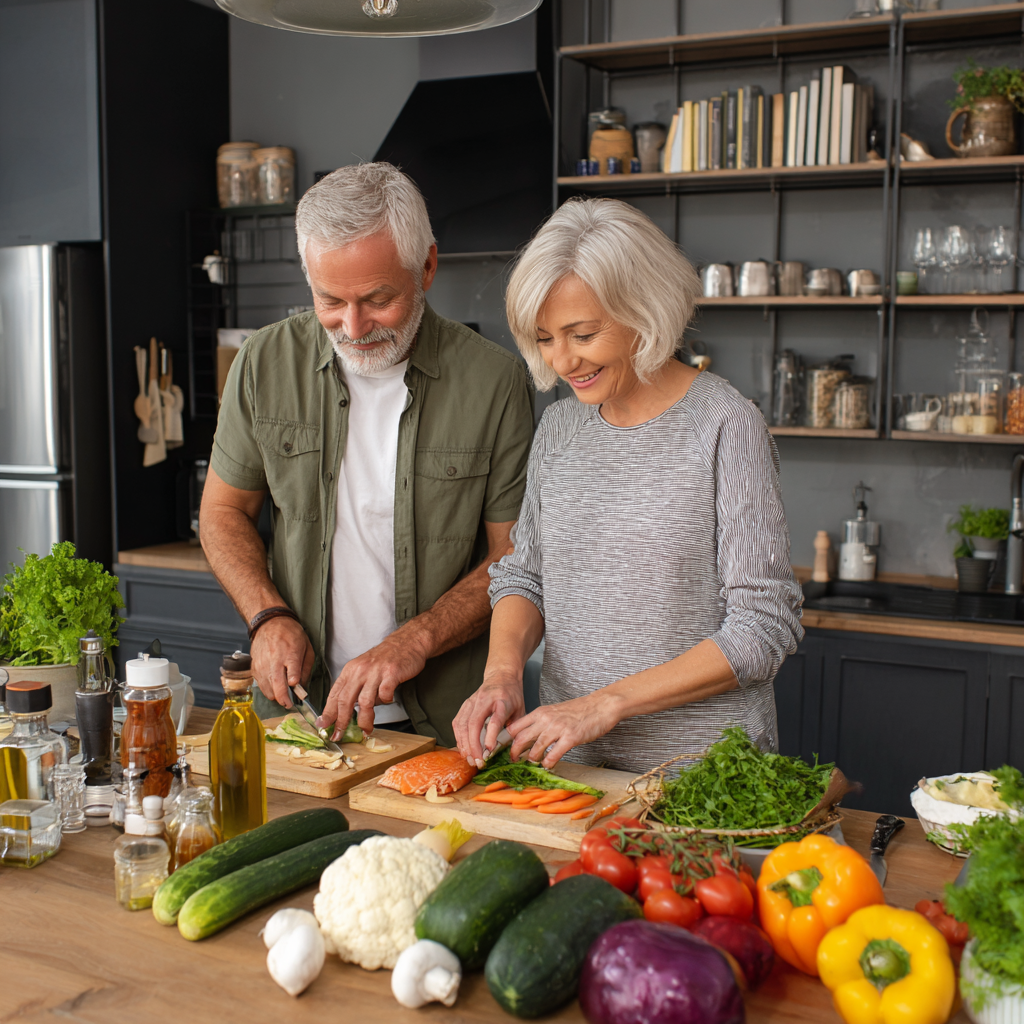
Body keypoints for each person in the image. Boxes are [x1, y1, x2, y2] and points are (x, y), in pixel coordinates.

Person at [453, 198, 803, 775]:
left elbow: (762, 627)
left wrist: (603, 705)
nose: (563, 360)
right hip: (577, 771)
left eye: (582, 333)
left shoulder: (725, 424)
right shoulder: (560, 428)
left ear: (644, 309)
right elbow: (525, 575)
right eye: (544, 338)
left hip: (704, 776)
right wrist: (502, 674)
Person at [201, 163, 534, 746]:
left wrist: (415, 639)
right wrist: (266, 616)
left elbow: (515, 559)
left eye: (378, 299)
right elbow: (222, 512)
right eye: (330, 300)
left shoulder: (495, 381)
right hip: (297, 715)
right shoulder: (262, 362)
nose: (352, 327)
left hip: (443, 725)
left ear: (426, 266)